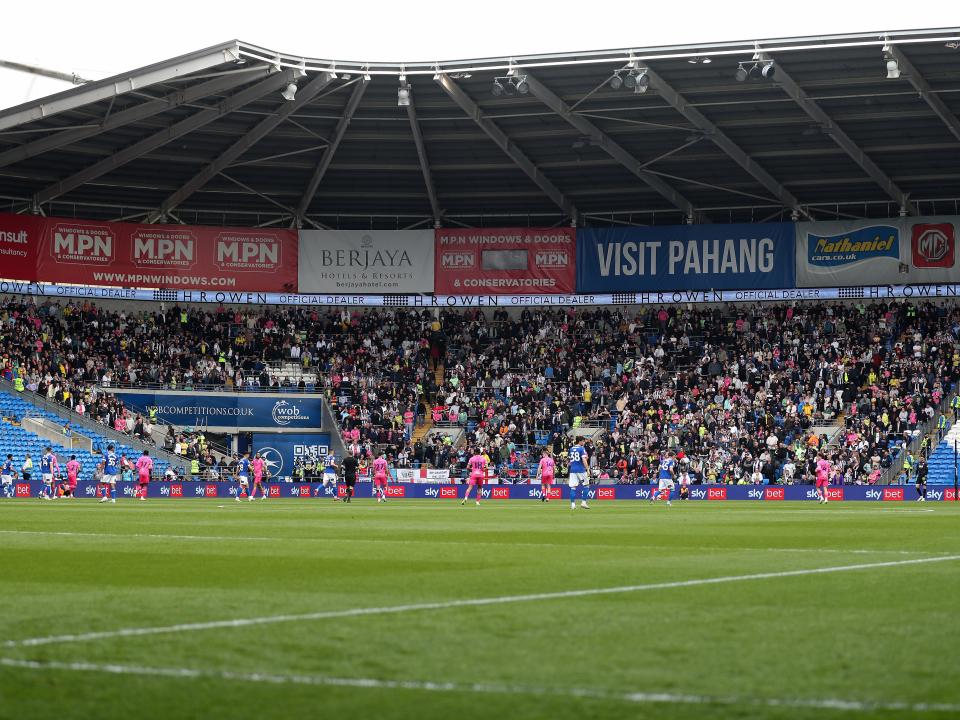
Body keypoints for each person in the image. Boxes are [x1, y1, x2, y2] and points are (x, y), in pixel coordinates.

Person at [567, 442, 590, 510]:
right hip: (581, 470)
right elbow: (584, 459)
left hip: (573, 470)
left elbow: (570, 461)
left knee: (573, 487)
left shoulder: (571, 449)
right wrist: (587, 469)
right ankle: (583, 502)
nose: (583, 442)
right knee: (586, 485)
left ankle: (573, 504)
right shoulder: (581, 448)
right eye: (583, 441)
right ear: (580, 441)